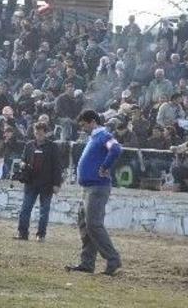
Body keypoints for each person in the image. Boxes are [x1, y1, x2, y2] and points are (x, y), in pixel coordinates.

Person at [66, 110, 122, 276]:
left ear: (92, 122)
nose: (82, 128)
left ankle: (113, 259)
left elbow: (116, 149)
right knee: (86, 224)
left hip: (97, 187)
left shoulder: (103, 135)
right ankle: (87, 263)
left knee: (93, 224)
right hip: (89, 188)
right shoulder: (95, 138)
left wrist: (105, 167)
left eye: (83, 124)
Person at [14, 122, 62, 241]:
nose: (38, 136)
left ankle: (41, 234)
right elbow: (22, 159)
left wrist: (57, 184)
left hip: (47, 183)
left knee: (44, 211)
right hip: (31, 181)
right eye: (36, 133)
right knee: (25, 208)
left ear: (46, 133)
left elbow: (57, 166)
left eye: (40, 133)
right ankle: (22, 233)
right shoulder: (29, 145)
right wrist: (23, 164)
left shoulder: (53, 147)